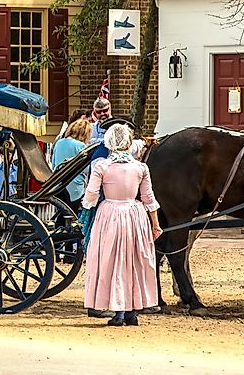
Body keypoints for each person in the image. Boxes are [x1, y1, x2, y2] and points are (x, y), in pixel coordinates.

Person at [80, 123, 163, 326]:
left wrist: (87, 211)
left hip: (109, 214)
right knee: (134, 261)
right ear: (128, 144)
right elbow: (148, 198)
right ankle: (132, 311)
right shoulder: (140, 168)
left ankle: (118, 310)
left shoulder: (101, 166)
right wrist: (155, 224)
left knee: (113, 261)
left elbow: (90, 196)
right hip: (135, 215)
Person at [53, 117, 93, 207]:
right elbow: (87, 169)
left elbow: (54, 164)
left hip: (57, 184)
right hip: (74, 185)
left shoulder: (59, 142)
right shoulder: (81, 146)